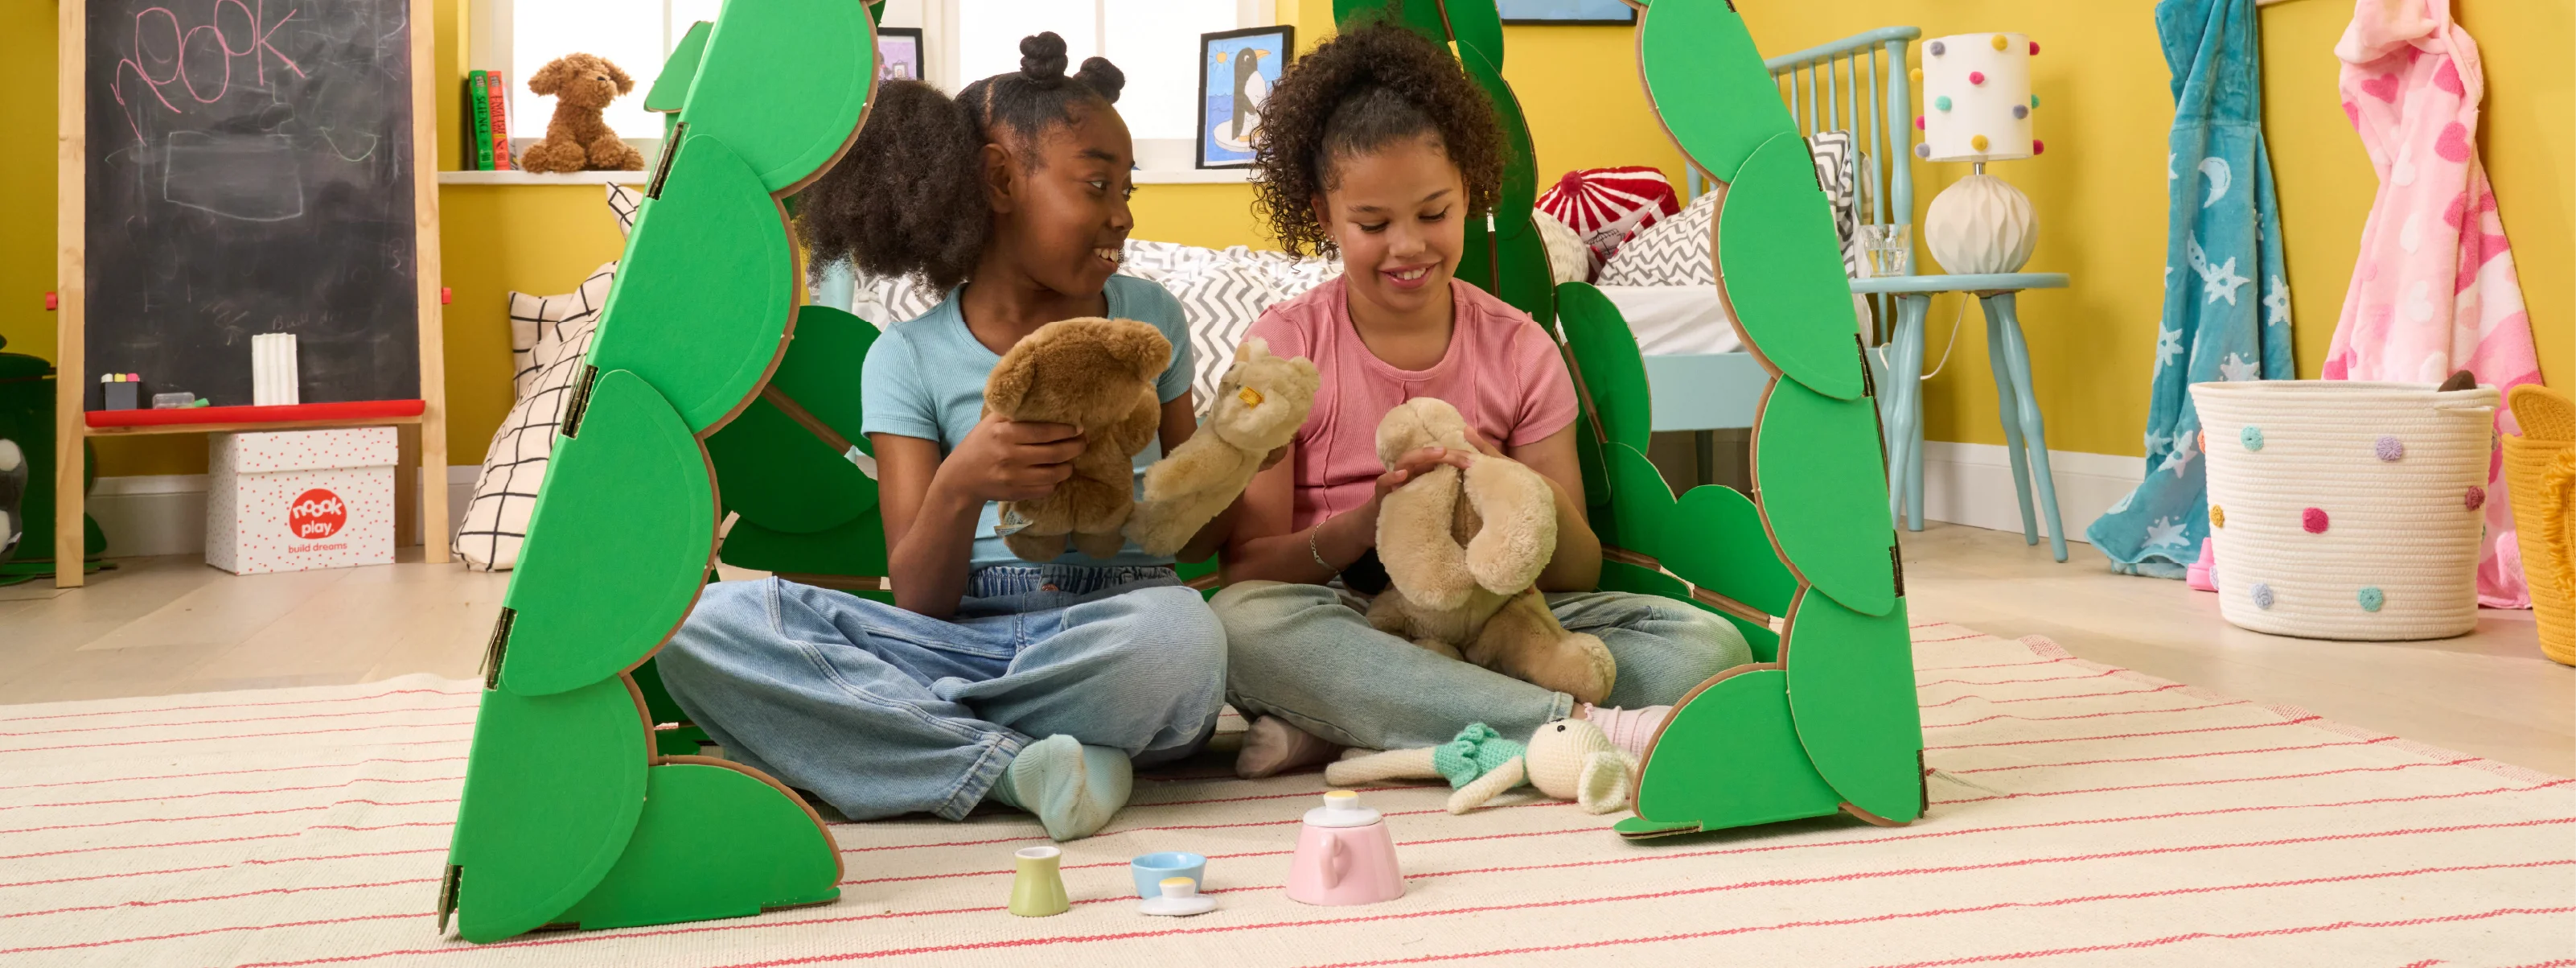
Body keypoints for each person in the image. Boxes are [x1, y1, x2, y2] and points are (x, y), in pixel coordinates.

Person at [655, 34, 1232, 842]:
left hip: (1113, 623)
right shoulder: (907, 356)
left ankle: (907, 738)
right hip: (952, 636)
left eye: (1125, 187)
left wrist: (1233, 455)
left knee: (1184, 640)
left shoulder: (1151, 319)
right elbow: (920, 595)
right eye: (1097, 183)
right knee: (700, 628)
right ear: (1000, 179)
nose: (1121, 213)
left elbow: (1194, 530)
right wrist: (963, 481)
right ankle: (1013, 766)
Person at [1212, 20, 1752, 778]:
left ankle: (1379, 718)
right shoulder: (1285, 347)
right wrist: (1362, 525)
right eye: (1372, 224)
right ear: (1322, 213)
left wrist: (1507, 479)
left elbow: (1577, 571)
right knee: (1237, 629)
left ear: (1469, 189)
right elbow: (1247, 570)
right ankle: (1576, 728)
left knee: (1706, 647)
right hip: (1353, 613)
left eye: (1434, 213)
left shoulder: (1519, 346)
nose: (1408, 246)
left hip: (1511, 613)